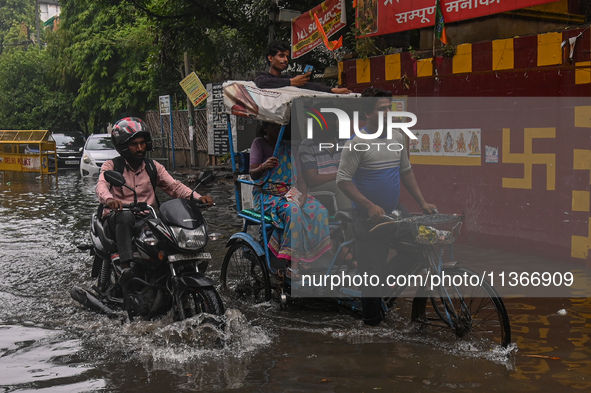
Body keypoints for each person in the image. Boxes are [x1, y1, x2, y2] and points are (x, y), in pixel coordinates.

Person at [336, 88, 437, 326]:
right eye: (382, 109)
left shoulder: (397, 137)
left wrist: (422, 203)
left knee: (418, 248)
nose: (387, 113)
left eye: (389, 108)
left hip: (395, 213)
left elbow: (406, 171)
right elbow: (343, 180)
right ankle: (371, 327)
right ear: (367, 114)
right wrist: (369, 205)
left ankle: (386, 282)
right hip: (368, 218)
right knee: (370, 279)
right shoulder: (357, 144)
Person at [96, 117, 213, 279]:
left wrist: (198, 198)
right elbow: (101, 186)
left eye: (142, 143)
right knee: (125, 215)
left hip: (147, 219)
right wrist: (110, 200)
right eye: (133, 144)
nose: (139, 148)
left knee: (170, 229)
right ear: (123, 147)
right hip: (117, 220)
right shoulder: (112, 166)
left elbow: (175, 187)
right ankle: (125, 267)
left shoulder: (153, 167)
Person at [249, 122, 331, 274]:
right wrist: (264, 166)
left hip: (290, 192)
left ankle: (308, 258)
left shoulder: (289, 148)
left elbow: (300, 178)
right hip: (268, 194)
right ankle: (292, 264)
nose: (278, 130)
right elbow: (253, 172)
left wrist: (304, 195)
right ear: (266, 127)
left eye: (281, 127)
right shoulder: (259, 143)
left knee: (320, 211)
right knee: (293, 212)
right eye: (274, 127)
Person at [254, 41, 351, 94]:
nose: (286, 60)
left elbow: (310, 85)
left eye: (287, 57)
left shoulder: (287, 78)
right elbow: (261, 82)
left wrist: (332, 90)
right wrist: (291, 82)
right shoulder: (262, 76)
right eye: (281, 56)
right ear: (270, 58)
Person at [298, 120, 352, 214]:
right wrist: (341, 174)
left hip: (341, 181)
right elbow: (312, 180)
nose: (327, 123)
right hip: (316, 190)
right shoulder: (307, 145)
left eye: (330, 119)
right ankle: (348, 227)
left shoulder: (344, 142)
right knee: (340, 186)